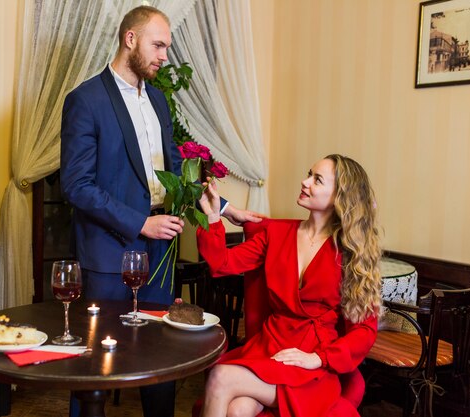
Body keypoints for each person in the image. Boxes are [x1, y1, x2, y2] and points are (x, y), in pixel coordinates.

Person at [60, 6, 261, 417]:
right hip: (109, 253)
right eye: (158, 45)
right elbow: (76, 186)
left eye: (166, 47)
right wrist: (140, 223)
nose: (165, 55)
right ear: (130, 39)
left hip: (160, 251)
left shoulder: (158, 100)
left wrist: (224, 208)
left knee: (161, 355)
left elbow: (174, 175)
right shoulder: (85, 100)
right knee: (95, 364)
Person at [196, 154, 382, 417]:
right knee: (237, 410)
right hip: (269, 348)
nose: (305, 182)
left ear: (340, 196)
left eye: (317, 180)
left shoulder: (350, 251)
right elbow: (222, 263)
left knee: (220, 377)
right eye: (309, 174)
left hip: (310, 362)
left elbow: (364, 329)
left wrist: (319, 359)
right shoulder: (276, 233)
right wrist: (214, 218)